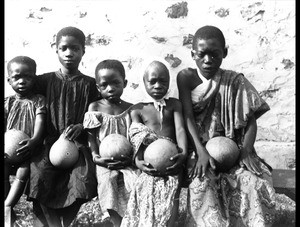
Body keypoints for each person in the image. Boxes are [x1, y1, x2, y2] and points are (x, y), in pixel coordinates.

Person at [177, 25, 295, 226]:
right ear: (192, 54)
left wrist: (246, 151)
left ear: (225, 52)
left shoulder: (234, 80)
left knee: (254, 183)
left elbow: (250, 120)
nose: (207, 60)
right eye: (201, 54)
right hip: (198, 149)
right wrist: (201, 152)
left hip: (232, 147)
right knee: (201, 185)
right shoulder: (185, 77)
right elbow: (187, 116)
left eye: (214, 54)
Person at [27, 26, 99, 227]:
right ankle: (52, 224)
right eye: (64, 48)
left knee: (82, 178)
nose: (69, 53)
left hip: (78, 145)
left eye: (75, 48)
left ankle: (66, 222)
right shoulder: (42, 81)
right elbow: (24, 99)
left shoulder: (91, 85)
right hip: (48, 143)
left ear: (83, 51)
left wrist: (82, 126)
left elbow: (100, 112)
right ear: (55, 49)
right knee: (38, 174)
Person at [121, 60, 188, 227]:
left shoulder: (174, 105)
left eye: (163, 81)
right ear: (144, 83)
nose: (158, 85)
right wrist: (138, 161)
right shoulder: (137, 109)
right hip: (150, 161)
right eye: (152, 81)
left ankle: (170, 223)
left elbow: (180, 130)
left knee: (173, 194)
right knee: (147, 192)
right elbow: (136, 137)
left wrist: (184, 153)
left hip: (173, 159)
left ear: (169, 83)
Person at [83, 59, 140, 227]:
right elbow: (91, 137)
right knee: (108, 183)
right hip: (104, 161)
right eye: (105, 85)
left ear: (125, 83)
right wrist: (95, 156)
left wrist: (132, 158)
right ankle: (116, 221)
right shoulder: (95, 107)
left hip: (127, 159)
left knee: (134, 181)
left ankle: (131, 220)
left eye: (116, 83)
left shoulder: (131, 109)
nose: (110, 88)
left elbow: (135, 136)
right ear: (98, 87)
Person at [4, 56, 46, 226]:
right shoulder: (8, 102)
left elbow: (40, 122)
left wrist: (35, 140)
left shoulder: (38, 101)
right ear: (9, 80)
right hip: (8, 149)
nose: (22, 81)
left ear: (34, 78)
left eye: (27, 77)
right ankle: (7, 207)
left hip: (29, 149)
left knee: (23, 172)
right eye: (16, 77)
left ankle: (8, 205)